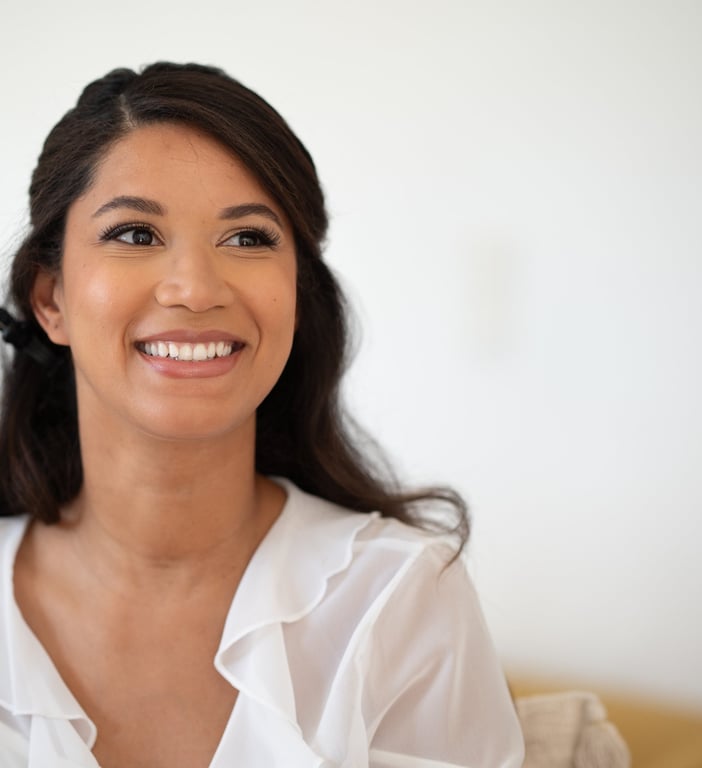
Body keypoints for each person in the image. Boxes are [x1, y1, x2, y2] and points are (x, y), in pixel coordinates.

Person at [0, 63, 523, 767]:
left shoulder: (399, 600)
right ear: (50, 299)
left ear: (297, 294)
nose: (195, 289)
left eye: (248, 238)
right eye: (135, 234)